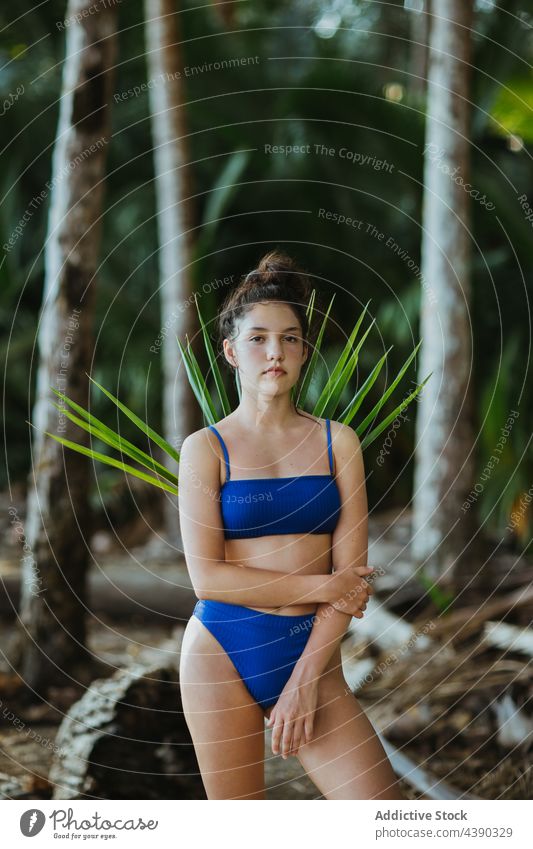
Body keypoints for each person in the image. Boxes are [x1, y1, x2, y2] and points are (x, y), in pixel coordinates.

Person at [178, 250, 403, 800]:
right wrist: (323, 585)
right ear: (231, 352)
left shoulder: (337, 443)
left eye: (290, 337)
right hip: (220, 647)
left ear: (304, 351)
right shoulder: (205, 450)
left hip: (313, 653)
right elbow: (208, 579)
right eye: (258, 338)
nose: (275, 351)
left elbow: (351, 579)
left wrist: (305, 680)